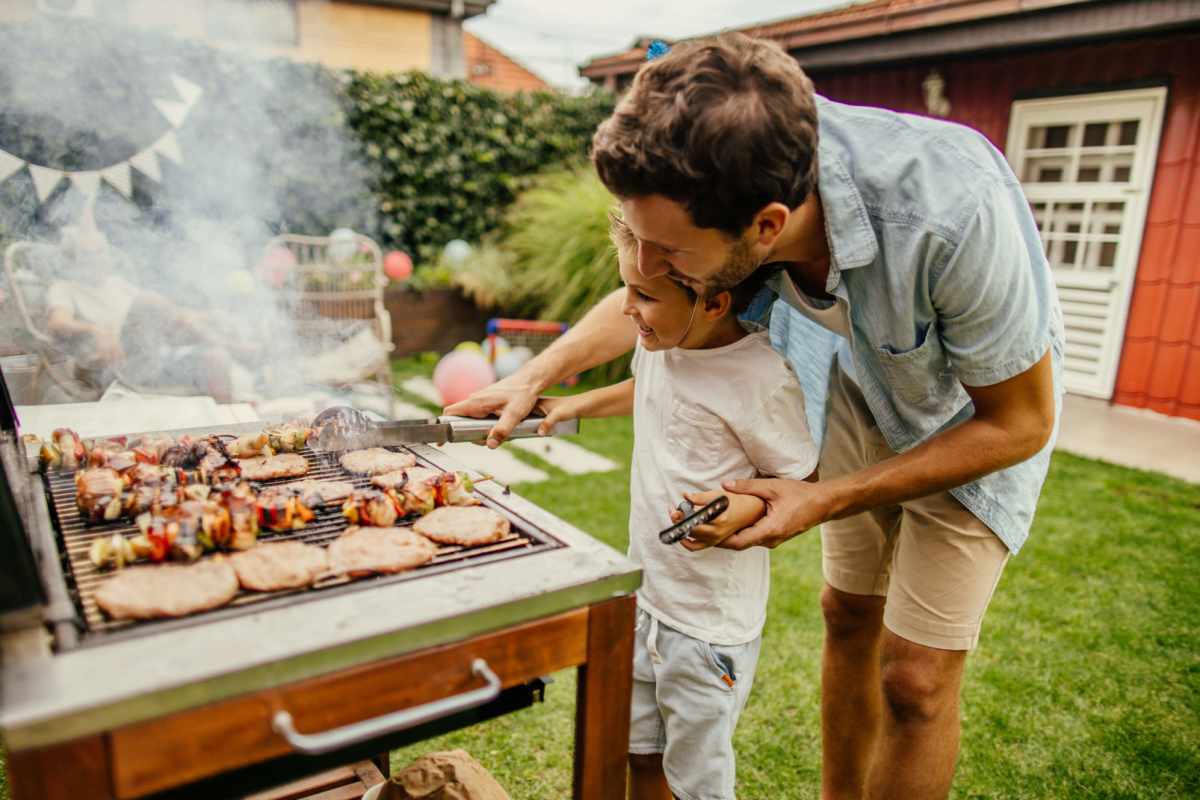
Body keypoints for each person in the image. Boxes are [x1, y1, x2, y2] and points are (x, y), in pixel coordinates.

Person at [447, 34, 1064, 800]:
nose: (643, 266)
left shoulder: (950, 210)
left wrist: (824, 496)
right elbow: (651, 292)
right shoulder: (727, 174)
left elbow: (1020, 422)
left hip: (972, 414)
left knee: (914, 680)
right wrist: (533, 375)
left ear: (767, 228)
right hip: (855, 380)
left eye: (667, 252)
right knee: (847, 614)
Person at [535, 213, 817, 800]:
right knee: (640, 753)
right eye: (626, 289)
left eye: (643, 296)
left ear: (712, 303)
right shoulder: (662, 345)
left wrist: (738, 510)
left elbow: (798, 478)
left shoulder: (761, 378)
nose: (627, 309)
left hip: (707, 626)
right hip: (646, 598)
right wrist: (573, 404)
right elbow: (649, 390)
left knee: (697, 783)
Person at [45, 224, 239, 401]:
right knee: (148, 300)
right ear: (73, 258)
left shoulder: (117, 284)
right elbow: (57, 323)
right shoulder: (64, 288)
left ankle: (230, 423)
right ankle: (232, 346)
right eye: (91, 253)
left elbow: (166, 312)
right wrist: (95, 330)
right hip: (109, 366)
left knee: (216, 358)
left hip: (149, 361)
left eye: (102, 251)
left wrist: (209, 315)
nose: (100, 257)